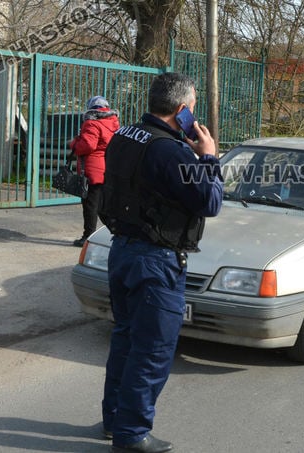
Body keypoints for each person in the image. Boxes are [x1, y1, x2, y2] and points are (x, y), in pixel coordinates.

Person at [99, 73, 223, 453]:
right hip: (156, 259)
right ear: (182, 110)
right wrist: (208, 156)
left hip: (122, 250)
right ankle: (132, 433)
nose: (195, 113)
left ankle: (116, 419)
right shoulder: (171, 151)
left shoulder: (125, 135)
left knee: (125, 338)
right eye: (194, 106)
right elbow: (210, 201)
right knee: (152, 348)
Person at [68, 95, 120, 247]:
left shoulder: (92, 123)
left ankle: (88, 237)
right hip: (107, 168)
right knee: (103, 206)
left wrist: (74, 144)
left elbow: (88, 145)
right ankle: (118, 233)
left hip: (92, 170)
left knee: (90, 206)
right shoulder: (113, 123)